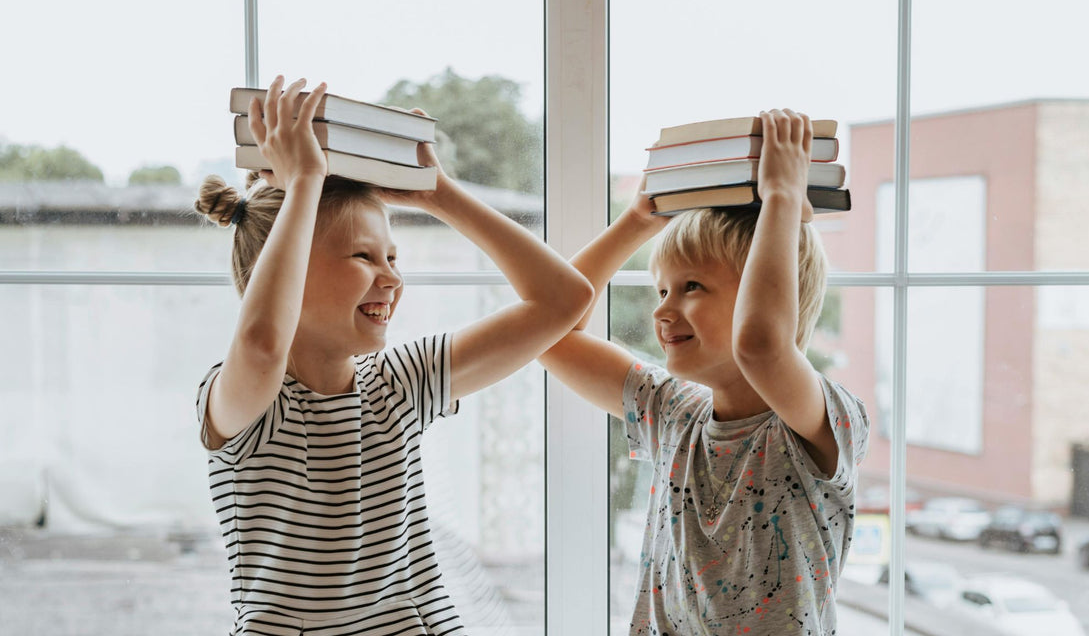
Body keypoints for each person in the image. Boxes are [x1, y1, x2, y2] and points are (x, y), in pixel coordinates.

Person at [193, 75, 592, 635]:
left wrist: (439, 196)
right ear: (286, 275)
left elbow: (564, 301)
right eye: (364, 256)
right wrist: (306, 181)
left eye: (394, 257)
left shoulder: (399, 383)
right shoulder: (248, 402)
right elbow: (262, 344)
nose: (392, 278)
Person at [540, 109, 869, 635]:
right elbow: (547, 331)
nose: (662, 311)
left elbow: (761, 346)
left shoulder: (820, 419)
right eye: (662, 290)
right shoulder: (672, 411)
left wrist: (783, 198)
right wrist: (636, 224)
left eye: (692, 287)